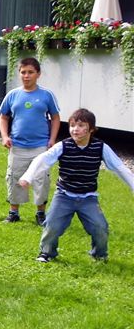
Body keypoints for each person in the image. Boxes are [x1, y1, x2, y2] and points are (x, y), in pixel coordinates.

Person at [19, 108, 134, 263]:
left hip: (88, 198)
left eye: (80, 126)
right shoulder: (63, 146)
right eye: (72, 125)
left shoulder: (100, 147)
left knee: (101, 227)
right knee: (52, 226)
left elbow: (119, 167)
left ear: (91, 129)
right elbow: (42, 160)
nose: (75, 129)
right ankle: (47, 252)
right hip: (64, 196)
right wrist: (28, 177)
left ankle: (99, 254)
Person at [0, 57, 60, 226]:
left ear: (38, 74)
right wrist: (5, 136)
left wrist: (52, 139)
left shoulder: (46, 95)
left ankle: (41, 214)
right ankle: (14, 213)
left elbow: (55, 118)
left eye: (30, 72)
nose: (26, 76)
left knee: (41, 179)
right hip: (17, 146)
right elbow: (3, 117)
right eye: (23, 72)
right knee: (14, 177)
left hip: (40, 146)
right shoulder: (12, 95)